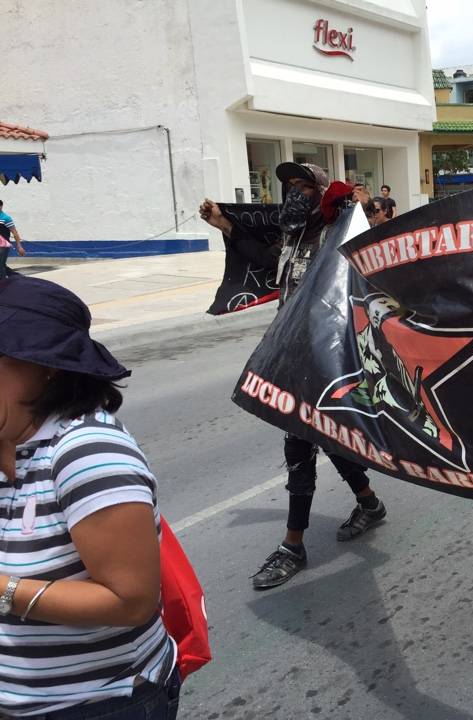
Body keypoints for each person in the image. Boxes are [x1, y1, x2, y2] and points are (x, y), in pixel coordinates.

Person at [199, 163, 387, 590]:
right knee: (323, 434)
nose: (295, 194)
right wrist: (226, 225)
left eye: (304, 186)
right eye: (288, 187)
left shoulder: (338, 233)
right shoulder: (294, 236)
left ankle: (292, 545)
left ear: (321, 191)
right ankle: (369, 502)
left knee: (299, 443)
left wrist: (355, 211)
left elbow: (364, 274)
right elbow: (265, 261)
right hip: (291, 354)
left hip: (325, 358)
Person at [0, 275, 180, 718]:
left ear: (46, 365)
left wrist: (2, 591)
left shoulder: (86, 451)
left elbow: (132, 600)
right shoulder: (12, 437)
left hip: (97, 702)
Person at [0, 200, 26, 280]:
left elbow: (14, 232)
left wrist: (19, 246)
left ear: (1, 207)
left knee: (0, 266)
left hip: (3, 246)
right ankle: (17, 277)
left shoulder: (6, 218)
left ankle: (3, 284)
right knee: (2, 265)